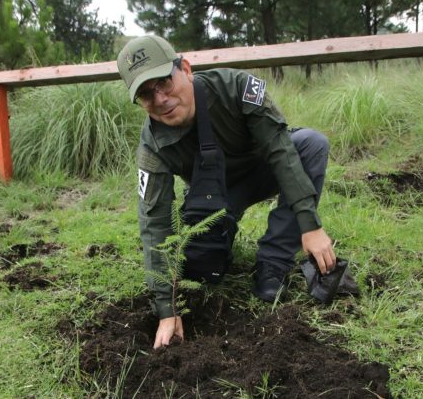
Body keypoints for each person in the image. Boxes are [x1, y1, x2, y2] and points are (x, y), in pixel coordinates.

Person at [117, 35, 337, 349]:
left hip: (263, 170)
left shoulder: (237, 87)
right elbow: (154, 222)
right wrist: (167, 308)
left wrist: (310, 224)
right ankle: (218, 244)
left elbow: (279, 150)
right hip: (214, 199)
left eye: (164, 82)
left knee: (312, 145)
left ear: (186, 69)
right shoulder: (152, 145)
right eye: (145, 94)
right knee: (199, 271)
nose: (160, 99)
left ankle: (272, 264)